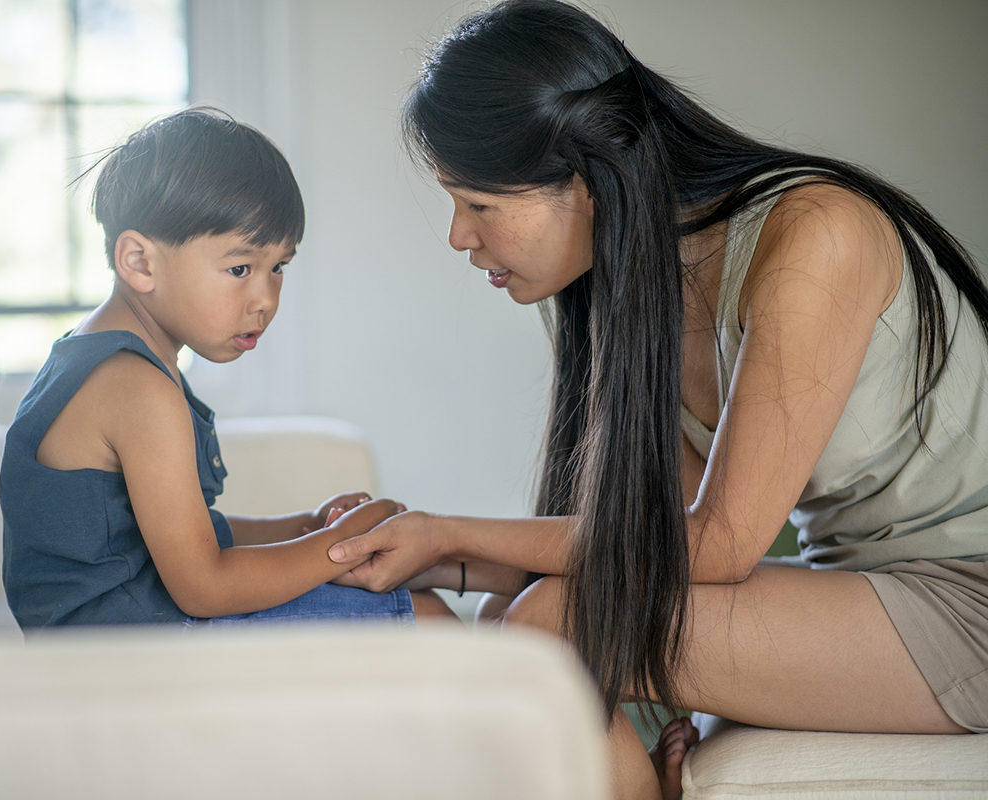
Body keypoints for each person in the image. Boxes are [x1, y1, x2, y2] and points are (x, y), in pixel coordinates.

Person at [325, 2, 988, 798]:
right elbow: (643, 545)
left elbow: (720, 546)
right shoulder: (628, 286)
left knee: (544, 627)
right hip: (861, 592)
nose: (458, 237)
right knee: (515, 632)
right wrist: (427, 557)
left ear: (586, 177)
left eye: (479, 204)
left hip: (967, 601)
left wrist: (446, 532)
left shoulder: (816, 231)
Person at [0, 108, 454, 631]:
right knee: (428, 618)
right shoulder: (135, 386)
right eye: (240, 268)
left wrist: (306, 526)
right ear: (140, 262)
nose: (264, 298)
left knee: (409, 586)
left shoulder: (99, 356)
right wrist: (338, 547)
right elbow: (204, 584)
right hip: (124, 655)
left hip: (130, 631)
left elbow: (182, 537)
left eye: (278, 267)